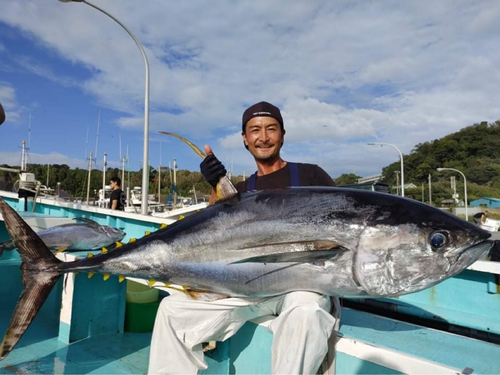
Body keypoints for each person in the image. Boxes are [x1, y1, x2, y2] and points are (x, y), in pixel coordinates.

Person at [148, 101, 340, 375]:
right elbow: (210, 233)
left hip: (302, 285)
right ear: (245, 139)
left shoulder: (311, 175)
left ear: (283, 134)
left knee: (306, 312)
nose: (263, 137)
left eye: (271, 129)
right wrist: (215, 184)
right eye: (255, 130)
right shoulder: (241, 189)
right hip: (247, 286)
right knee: (171, 310)